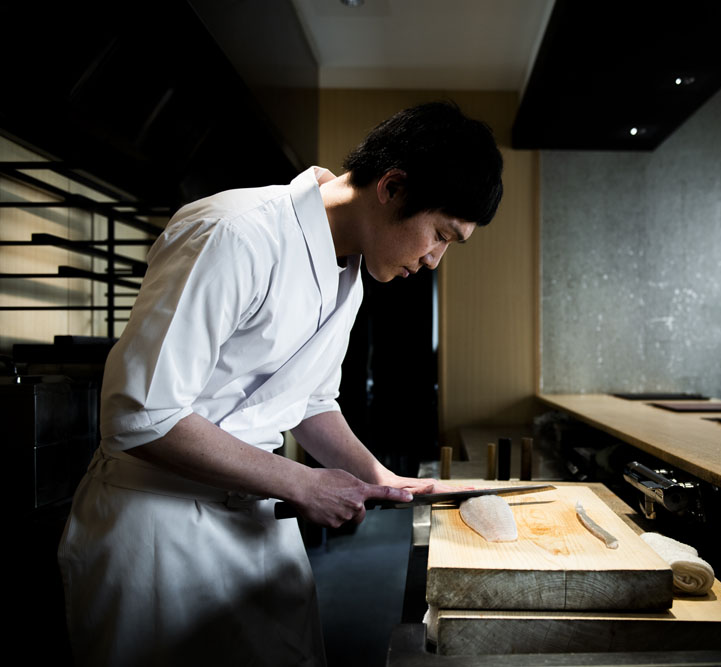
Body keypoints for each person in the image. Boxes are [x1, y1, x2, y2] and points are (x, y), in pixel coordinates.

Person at [57, 101, 504, 666]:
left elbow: (310, 400)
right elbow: (141, 416)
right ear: (392, 186)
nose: (435, 259)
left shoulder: (351, 271)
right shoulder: (236, 233)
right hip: (157, 526)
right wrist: (304, 483)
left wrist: (381, 478)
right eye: (440, 235)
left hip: (255, 518)